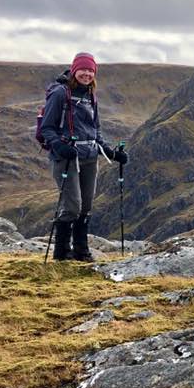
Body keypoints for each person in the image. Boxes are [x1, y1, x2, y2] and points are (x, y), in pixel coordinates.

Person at [40, 52, 128, 261]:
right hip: (67, 158)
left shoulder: (91, 96)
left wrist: (112, 153)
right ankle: (61, 253)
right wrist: (60, 147)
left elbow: (95, 132)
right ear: (74, 70)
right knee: (72, 205)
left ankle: (81, 251)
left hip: (90, 157)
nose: (87, 74)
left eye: (90, 70)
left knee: (86, 206)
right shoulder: (60, 94)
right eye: (83, 69)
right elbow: (47, 128)